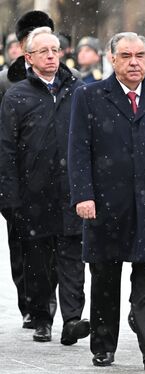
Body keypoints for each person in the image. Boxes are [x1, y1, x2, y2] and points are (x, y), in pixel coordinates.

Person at [68, 31, 145, 370]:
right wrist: (83, 195)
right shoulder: (89, 96)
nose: (135, 63)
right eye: (126, 57)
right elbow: (78, 150)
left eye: (139, 56)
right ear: (113, 59)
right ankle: (103, 345)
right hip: (105, 202)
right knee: (105, 275)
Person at [0, 26, 89, 344]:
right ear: (29, 58)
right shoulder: (17, 95)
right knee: (37, 261)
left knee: (72, 259)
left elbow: (89, 140)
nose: (52, 56)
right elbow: (6, 148)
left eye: (56, 50)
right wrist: (8, 196)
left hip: (71, 192)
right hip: (32, 194)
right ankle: (41, 317)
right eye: (44, 52)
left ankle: (73, 319)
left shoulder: (77, 89)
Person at [0, 9, 59, 331]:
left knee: (54, 247)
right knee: (21, 244)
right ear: (24, 45)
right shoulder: (6, 81)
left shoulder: (66, 79)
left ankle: (46, 302)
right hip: (19, 177)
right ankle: (30, 302)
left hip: (54, 178)